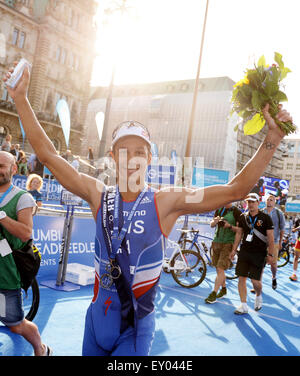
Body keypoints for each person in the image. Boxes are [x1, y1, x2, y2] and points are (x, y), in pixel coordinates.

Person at [3, 63, 292, 355]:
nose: (132, 158)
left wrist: (272, 140)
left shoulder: (165, 201)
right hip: (95, 322)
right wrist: (21, 98)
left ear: (150, 157)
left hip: (135, 330)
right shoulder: (98, 194)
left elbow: (235, 191)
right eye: (125, 151)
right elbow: (48, 155)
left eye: (140, 152)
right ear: (113, 157)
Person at [0, 151, 51, 355]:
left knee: (15, 324)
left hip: (6, 274)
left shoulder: (22, 197)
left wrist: (1, 216)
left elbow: (25, 233)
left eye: (2, 166)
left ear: (14, 169)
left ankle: (41, 348)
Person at [230, 193, 275, 314]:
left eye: (253, 202)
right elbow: (239, 234)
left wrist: (270, 254)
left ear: (258, 203)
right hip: (244, 252)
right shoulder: (243, 217)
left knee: (255, 281)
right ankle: (243, 305)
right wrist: (234, 250)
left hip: (259, 253)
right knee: (241, 279)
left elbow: (270, 238)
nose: (250, 204)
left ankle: (258, 295)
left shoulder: (265, 218)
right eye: (248, 202)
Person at [205, 203, 242, 303]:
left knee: (220, 268)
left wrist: (229, 226)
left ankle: (213, 293)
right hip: (217, 241)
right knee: (218, 269)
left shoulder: (236, 212)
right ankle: (224, 289)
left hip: (228, 243)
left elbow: (240, 230)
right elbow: (212, 224)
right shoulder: (219, 209)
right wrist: (215, 221)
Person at [262, 193, 285, 289]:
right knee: (260, 263)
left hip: (274, 242)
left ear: (275, 202)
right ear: (265, 201)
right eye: (268, 199)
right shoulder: (261, 212)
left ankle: (274, 277)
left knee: (273, 264)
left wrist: (280, 243)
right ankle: (258, 283)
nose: (269, 201)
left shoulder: (279, 213)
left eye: (272, 199)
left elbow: (282, 229)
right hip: (262, 242)